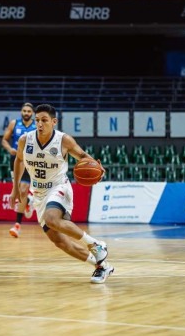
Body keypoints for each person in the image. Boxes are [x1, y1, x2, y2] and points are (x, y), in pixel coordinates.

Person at [9, 104, 114, 284]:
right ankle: (102, 266)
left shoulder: (63, 140)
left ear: (54, 122)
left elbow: (82, 156)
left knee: (52, 218)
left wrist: (97, 167)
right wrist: (15, 188)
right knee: (59, 242)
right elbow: (19, 161)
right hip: (39, 193)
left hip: (59, 187)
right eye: (37, 120)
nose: (40, 124)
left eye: (44, 120)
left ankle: (95, 245)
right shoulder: (25, 140)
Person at [1, 102, 36, 238]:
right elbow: (4, 140)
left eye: (29, 111)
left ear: (32, 113)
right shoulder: (14, 123)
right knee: (20, 191)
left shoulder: (36, 126)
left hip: (31, 160)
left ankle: (17, 225)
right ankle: (27, 201)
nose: (26, 113)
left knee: (23, 189)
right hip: (16, 160)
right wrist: (10, 149)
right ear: (21, 112)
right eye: (24, 111)